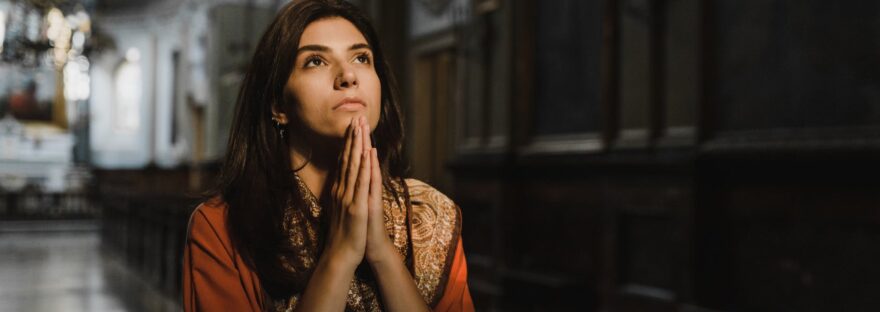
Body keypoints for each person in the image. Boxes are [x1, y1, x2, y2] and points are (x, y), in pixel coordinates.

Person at [181, 1, 474, 311]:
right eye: (316, 61)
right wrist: (341, 253)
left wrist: (381, 253)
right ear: (278, 106)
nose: (348, 75)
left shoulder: (431, 214)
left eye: (361, 58)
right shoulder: (223, 226)